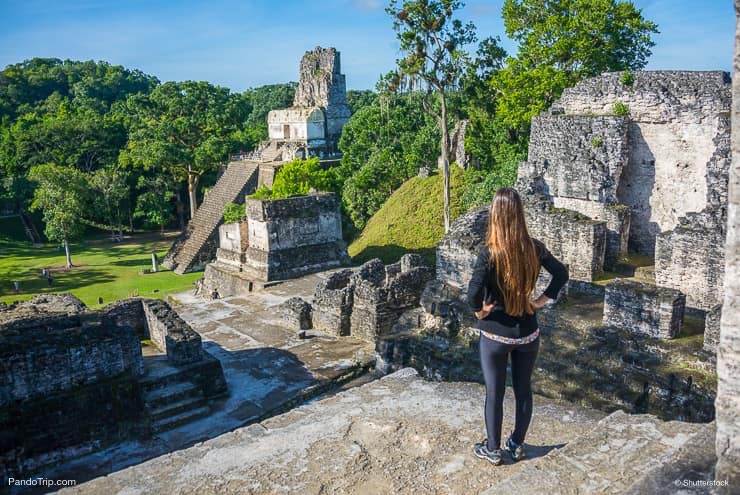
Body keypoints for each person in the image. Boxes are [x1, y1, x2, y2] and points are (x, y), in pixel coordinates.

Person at [467, 188, 568, 466]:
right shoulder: (533, 247)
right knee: (523, 390)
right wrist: (540, 301)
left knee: (494, 394)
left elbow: (472, 293)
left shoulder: (490, 253)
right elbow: (561, 273)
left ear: (495, 216)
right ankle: (516, 444)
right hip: (527, 332)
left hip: (495, 334)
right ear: (520, 214)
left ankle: (493, 449)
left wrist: (481, 310)